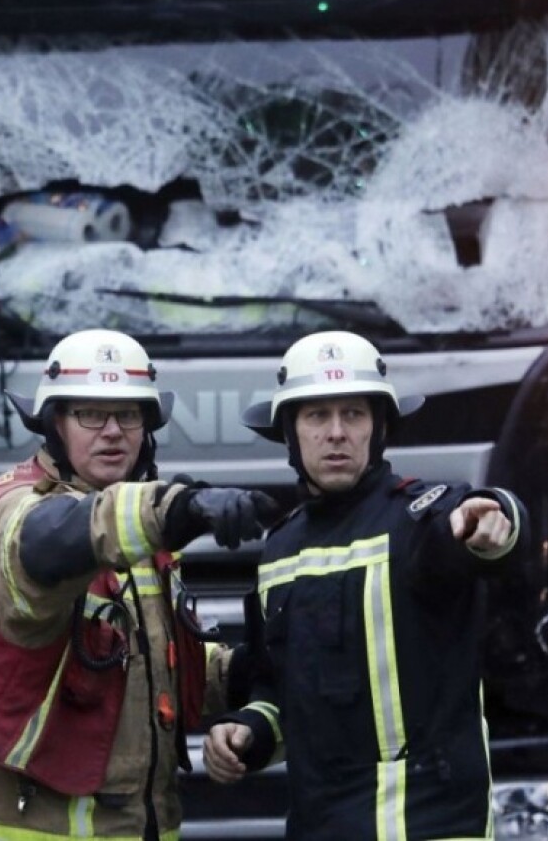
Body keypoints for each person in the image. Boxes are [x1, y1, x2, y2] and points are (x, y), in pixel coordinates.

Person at [0, 328, 277, 841]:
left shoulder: (138, 532)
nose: (112, 431)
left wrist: (238, 671)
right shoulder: (14, 508)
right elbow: (53, 540)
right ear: (54, 424)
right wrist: (178, 507)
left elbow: (137, 670)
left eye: (128, 415)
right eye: (91, 414)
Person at [202, 331, 528, 840]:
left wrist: (495, 517)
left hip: (429, 824)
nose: (336, 433)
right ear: (290, 432)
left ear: (378, 430)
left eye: (353, 415)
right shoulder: (279, 551)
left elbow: (470, 524)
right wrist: (248, 731)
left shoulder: (420, 516)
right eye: (316, 416)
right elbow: (280, 691)